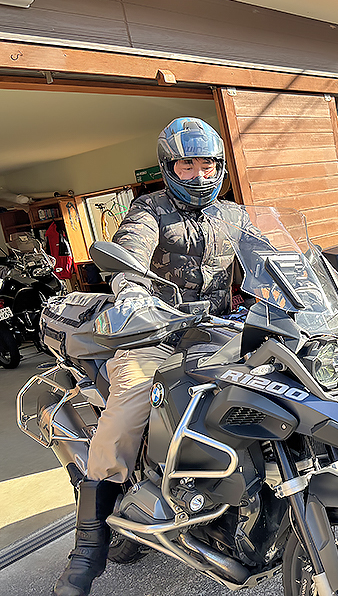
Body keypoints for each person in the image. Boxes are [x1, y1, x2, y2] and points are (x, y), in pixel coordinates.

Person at [53, 117, 238, 596]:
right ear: (169, 167)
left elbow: (271, 257)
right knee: (133, 395)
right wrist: (132, 290)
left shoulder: (234, 216)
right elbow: (129, 256)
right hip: (152, 334)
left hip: (218, 333)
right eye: (188, 165)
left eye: (208, 164)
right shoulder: (149, 210)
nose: (199, 175)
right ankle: (89, 545)